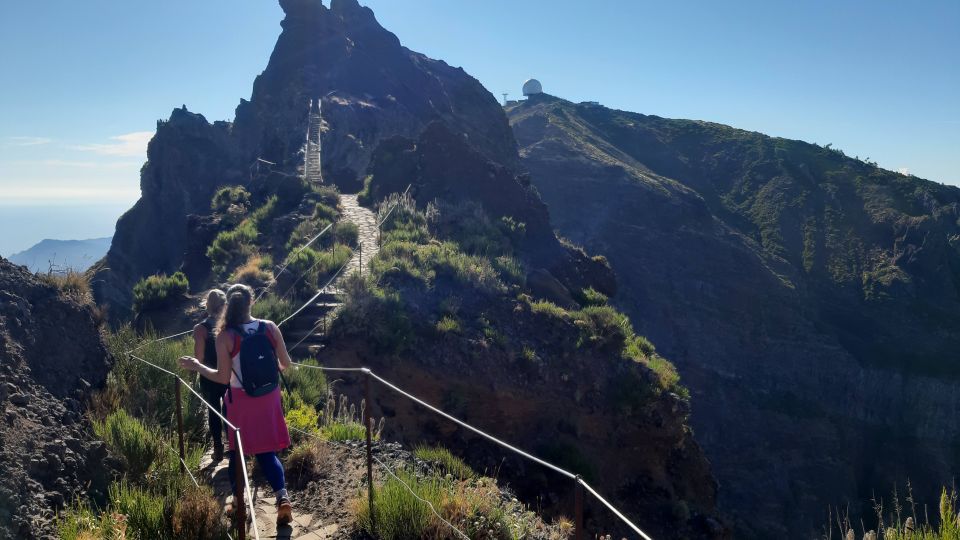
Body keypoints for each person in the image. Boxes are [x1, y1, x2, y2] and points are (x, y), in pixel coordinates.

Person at [179, 283, 294, 526]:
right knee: (266, 452)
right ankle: (282, 497)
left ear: (229, 306)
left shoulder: (225, 336)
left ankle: (238, 502)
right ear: (251, 301)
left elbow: (222, 378)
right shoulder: (269, 328)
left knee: (237, 453)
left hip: (241, 401)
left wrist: (198, 367)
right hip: (269, 397)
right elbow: (285, 363)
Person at [194, 289, 228, 462]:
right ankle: (235, 445)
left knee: (213, 410)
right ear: (224, 305)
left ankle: (218, 448)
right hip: (229, 373)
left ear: (207, 305)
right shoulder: (229, 325)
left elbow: (199, 358)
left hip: (209, 376)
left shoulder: (201, 329)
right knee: (230, 407)